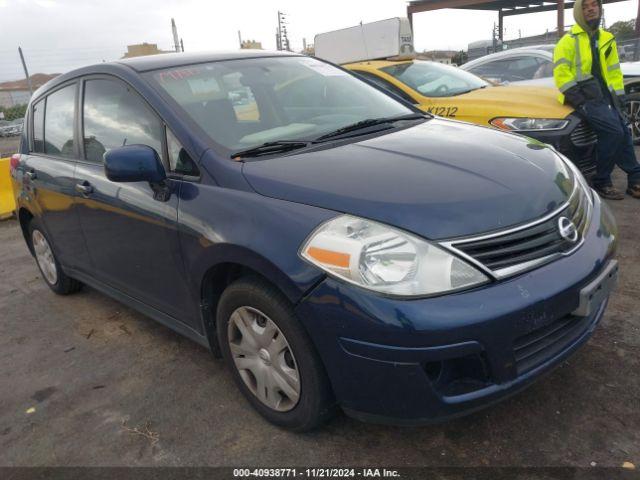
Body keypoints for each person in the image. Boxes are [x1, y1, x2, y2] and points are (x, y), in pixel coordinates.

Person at [553, 0, 640, 199]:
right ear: (578, 12)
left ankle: (635, 179)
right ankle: (602, 181)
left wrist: (620, 97)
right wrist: (580, 101)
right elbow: (561, 75)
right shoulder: (567, 41)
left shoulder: (607, 38)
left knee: (623, 131)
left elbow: (614, 72)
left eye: (594, 5)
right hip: (586, 98)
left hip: (606, 97)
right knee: (614, 132)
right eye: (585, 6)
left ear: (599, 8)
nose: (591, 9)